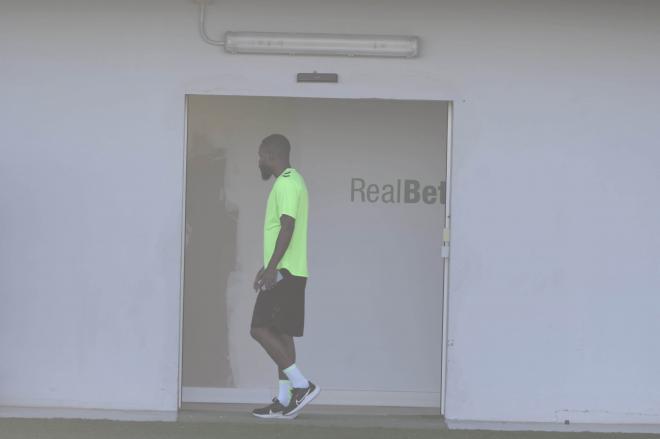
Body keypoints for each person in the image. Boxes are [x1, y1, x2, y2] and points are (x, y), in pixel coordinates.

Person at [250, 134, 320, 419]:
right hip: (288, 271)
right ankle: (283, 399)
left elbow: (287, 226)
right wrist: (267, 265)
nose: (259, 161)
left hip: (285, 272)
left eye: (260, 155)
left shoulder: (287, 183)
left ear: (270, 154)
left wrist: (272, 268)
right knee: (280, 333)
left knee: (259, 329)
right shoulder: (294, 180)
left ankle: (302, 385)